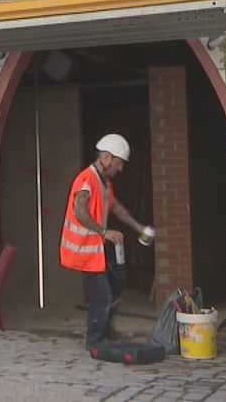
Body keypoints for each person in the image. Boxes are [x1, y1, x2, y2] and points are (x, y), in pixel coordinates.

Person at [59, 133, 151, 351]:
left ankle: (106, 332)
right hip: (84, 250)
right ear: (107, 158)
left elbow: (117, 208)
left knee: (116, 284)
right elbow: (79, 210)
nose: (120, 168)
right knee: (103, 294)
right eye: (119, 163)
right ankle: (95, 340)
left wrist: (140, 228)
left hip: (97, 250)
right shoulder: (86, 180)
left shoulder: (105, 183)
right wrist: (103, 232)